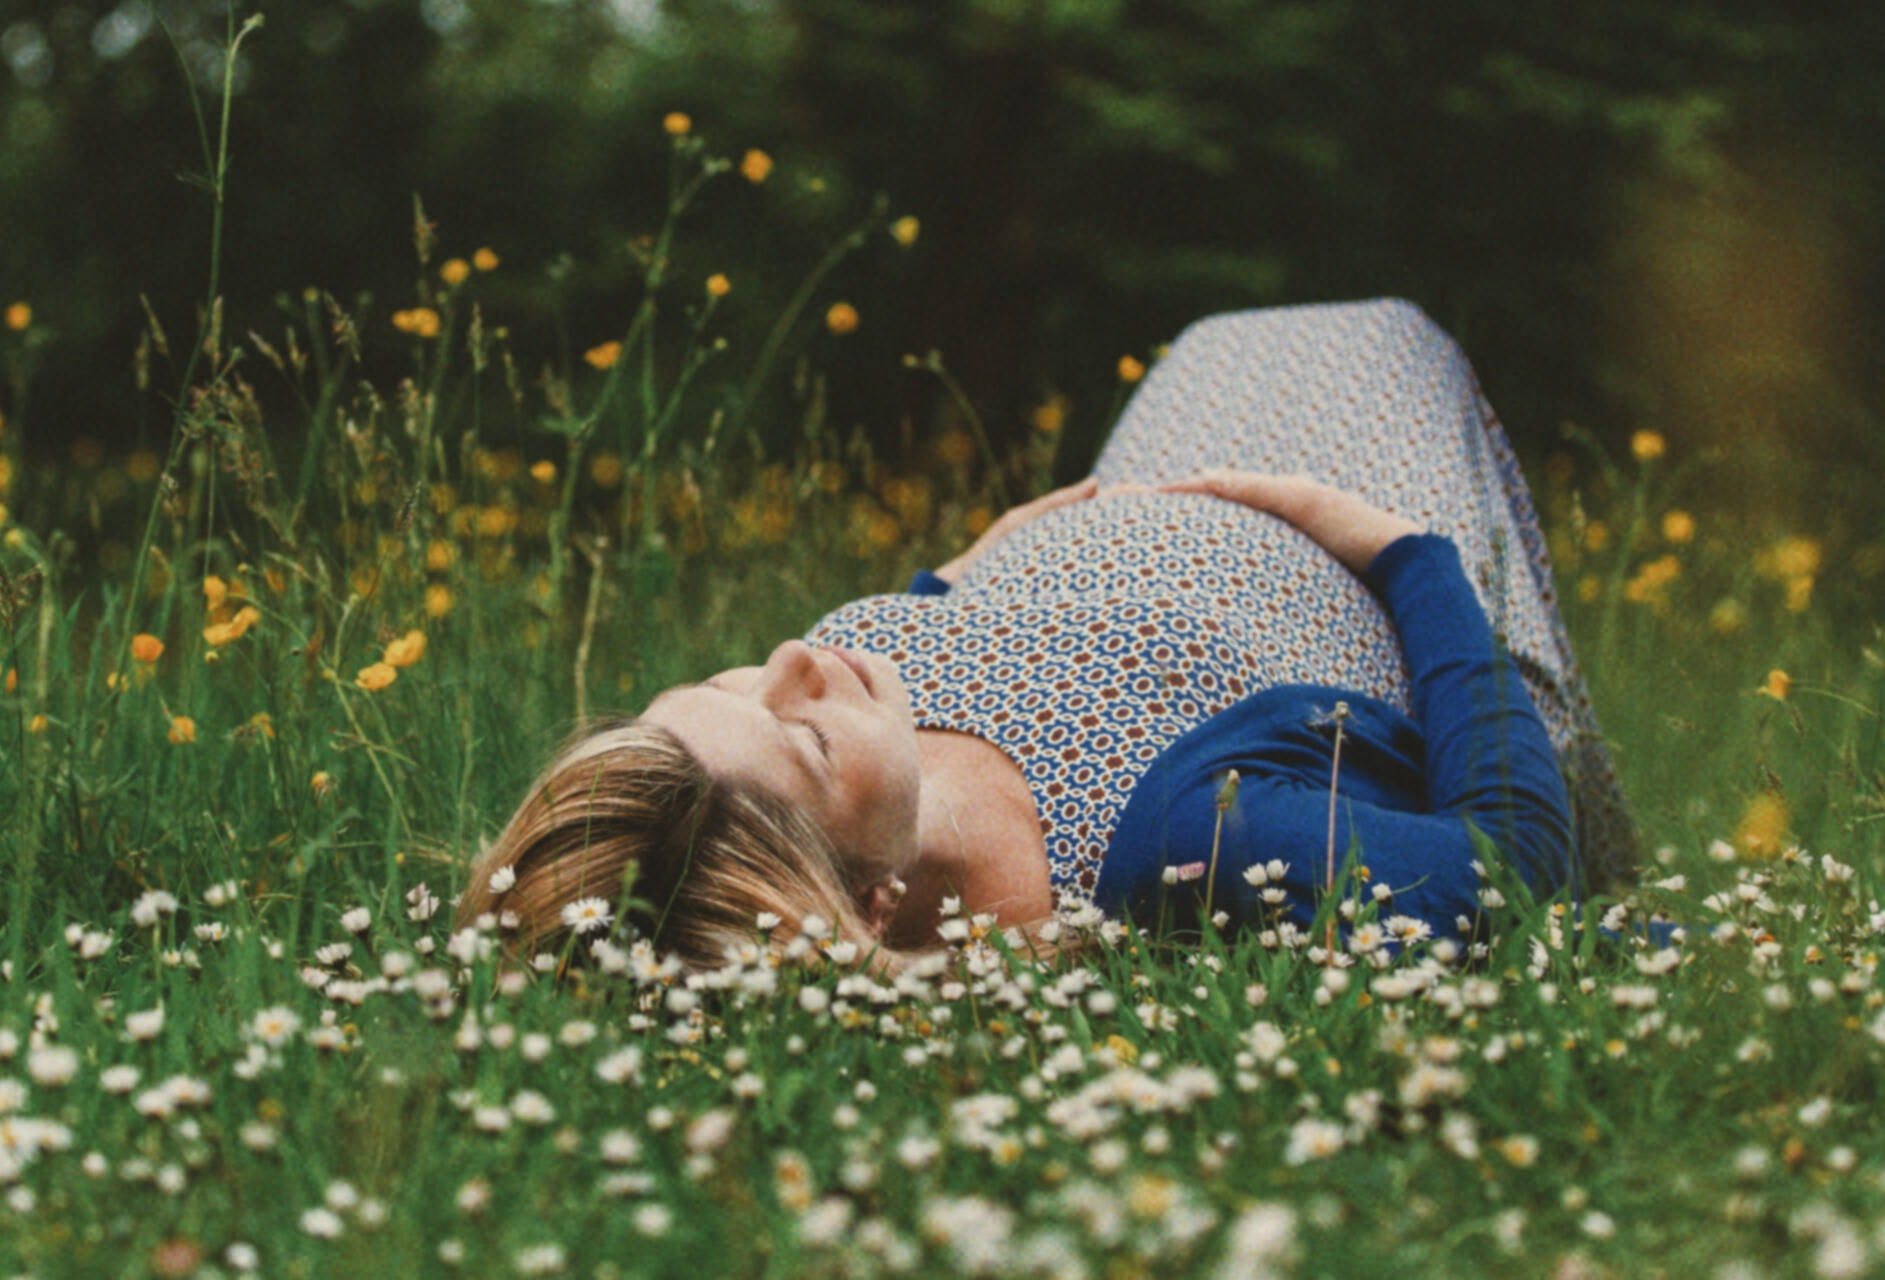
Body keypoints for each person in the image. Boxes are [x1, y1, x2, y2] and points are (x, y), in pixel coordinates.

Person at [454, 298, 1636, 974]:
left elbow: (871, 653)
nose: (794, 662)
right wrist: (1401, 551)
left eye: (723, 677)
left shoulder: (852, 724)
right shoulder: (1187, 849)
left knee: (1225, 331)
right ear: (863, 909)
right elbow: (1511, 873)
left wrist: (965, 571)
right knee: (1390, 329)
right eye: (802, 742)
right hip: (1351, 514)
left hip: (1196, 435)